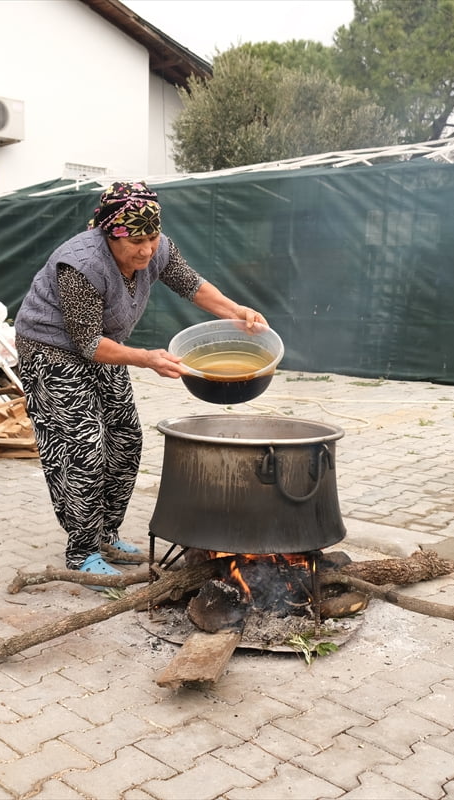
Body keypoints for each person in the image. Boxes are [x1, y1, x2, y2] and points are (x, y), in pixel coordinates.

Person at [13, 181, 267, 583]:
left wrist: (236, 311)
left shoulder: (158, 248)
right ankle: (82, 550)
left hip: (108, 346)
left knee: (126, 439)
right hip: (52, 351)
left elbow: (191, 284)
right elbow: (87, 343)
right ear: (111, 234)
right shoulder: (79, 265)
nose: (147, 250)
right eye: (136, 241)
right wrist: (147, 359)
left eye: (152, 238)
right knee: (83, 446)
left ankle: (106, 535)